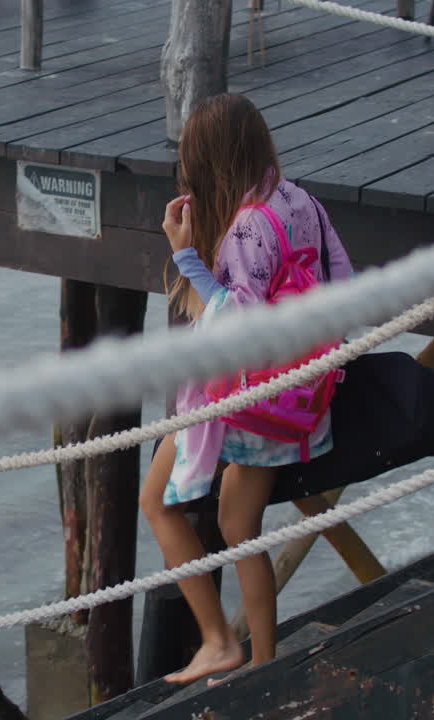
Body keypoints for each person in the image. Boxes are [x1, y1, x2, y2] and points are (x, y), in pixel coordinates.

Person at [139, 93, 354, 685]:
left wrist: (187, 258)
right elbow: (346, 283)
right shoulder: (297, 198)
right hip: (297, 395)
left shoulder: (247, 227)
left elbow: (237, 324)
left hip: (246, 400)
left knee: (159, 504)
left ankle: (218, 642)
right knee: (240, 530)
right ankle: (260, 662)